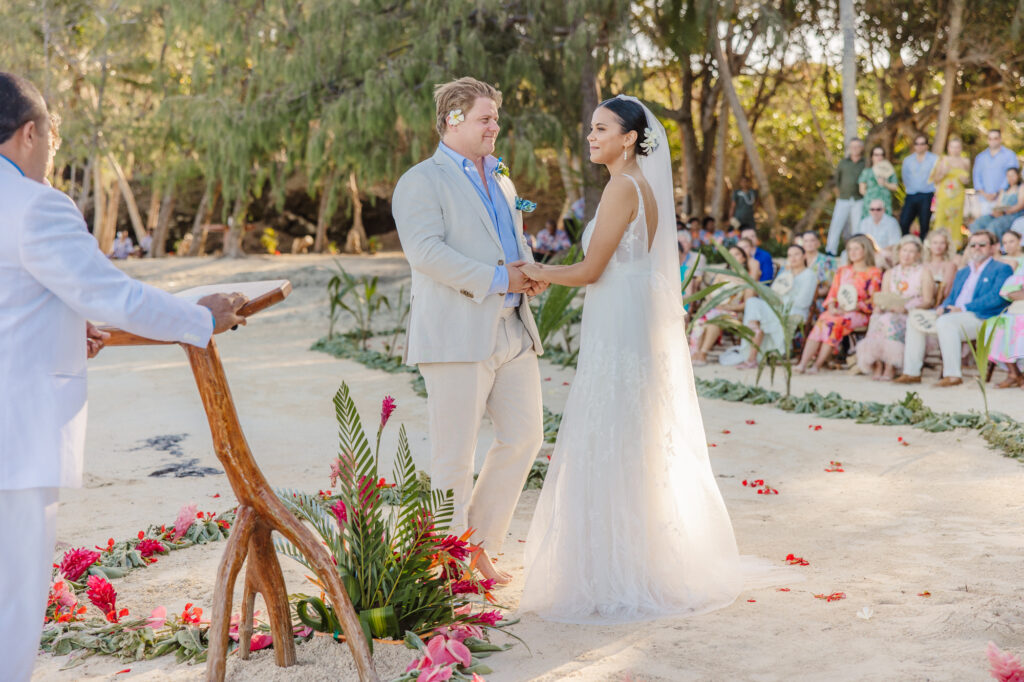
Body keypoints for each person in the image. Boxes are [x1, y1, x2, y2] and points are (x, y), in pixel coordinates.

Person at [0, 72, 247, 682]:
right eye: (52, 137)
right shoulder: (34, 206)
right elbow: (114, 296)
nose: (52, 151)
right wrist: (200, 318)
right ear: (29, 132)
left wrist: (62, 324)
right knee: (12, 602)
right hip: (17, 437)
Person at [518, 95, 743, 622]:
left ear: (628, 138)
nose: (591, 137)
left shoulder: (623, 188)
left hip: (619, 323)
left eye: (601, 129)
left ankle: (617, 570)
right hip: (628, 317)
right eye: (590, 128)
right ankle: (638, 559)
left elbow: (591, 269)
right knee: (628, 433)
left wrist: (534, 271)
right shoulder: (641, 186)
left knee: (611, 431)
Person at [392, 77, 545, 585]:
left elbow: (508, 242)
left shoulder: (501, 177)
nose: (494, 127)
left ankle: (476, 544)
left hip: (514, 328)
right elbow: (426, 252)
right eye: (485, 118)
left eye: (495, 118)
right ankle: (449, 561)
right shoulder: (421, 180)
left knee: (525, 437)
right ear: (453, 120)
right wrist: (502, 279)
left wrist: (530, 273)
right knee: (454, 456)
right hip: (457, 333)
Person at [895, 230, 1013, 387]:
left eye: (982, 244)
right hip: (953, 314)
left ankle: (952, 375)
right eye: (973, 245)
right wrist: (943, 307)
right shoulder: (963, 271)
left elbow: (997, 298)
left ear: (993, 247)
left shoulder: (1001, 269)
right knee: (914, 318)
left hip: (982, 317)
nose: (977, 248)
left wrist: (963, 308)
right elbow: (952, 296)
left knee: (946, 323)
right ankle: (912, 372)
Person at [795, 235, 882, 374]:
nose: (852, 252)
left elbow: (874, 299)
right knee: (823, 319)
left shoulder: (873, 273)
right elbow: (832, 294)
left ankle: (817, 364)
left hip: (860, 313)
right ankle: (803, 363)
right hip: (838, 311)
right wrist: (831, 307)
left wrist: (856, 306)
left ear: (865, 250)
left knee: (834, 323)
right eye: (849, 249)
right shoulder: (843, 271)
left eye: (856, 249)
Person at [856, 235, 934, 380]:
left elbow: (928, 300)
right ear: (899, 252)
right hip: (890, 310)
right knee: (879, 318)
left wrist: (906, 308)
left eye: (911, 251)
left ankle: (890, 365)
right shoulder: (890, 273)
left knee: (889, 321)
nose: (907, 255)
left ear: (918, 254)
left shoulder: (924, 272)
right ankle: (878, 363)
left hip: (912, 312)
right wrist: (882, 307)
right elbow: (885, 297)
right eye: (904, 250)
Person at [737, 243, 817, 369]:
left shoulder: (809, 275)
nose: (793, 258)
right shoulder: (785, 273)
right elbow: (774, 292)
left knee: (763, 310)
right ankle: (755, 328)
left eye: (797, 254)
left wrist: (782, 301)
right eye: (790, 255)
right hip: (777, 307)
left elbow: (804, 301)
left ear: (804, 256)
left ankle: (752, 357)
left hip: (795, 310)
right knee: (752, 301)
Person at [689, 245, 754, 365]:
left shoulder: (747, 280)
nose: (732, 257)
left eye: (737, 254)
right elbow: (709, 294)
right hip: (714, 309)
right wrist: (712, 303)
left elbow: (747, 304)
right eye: (730, 254)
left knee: (714, 321)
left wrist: (727, 308)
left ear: (744, 258)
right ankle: (695, 353)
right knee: (700, 322)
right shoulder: (721, 275)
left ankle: (703, 353)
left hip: (732, 313)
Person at [929, 136, 970, 250]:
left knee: (956, 222)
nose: (955, 149)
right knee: (940, 220)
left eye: (957, 147)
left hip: (958, 196)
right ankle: (937, 246)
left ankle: (954, 247)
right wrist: (943, 173)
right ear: (948, 148)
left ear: (961, 148)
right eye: (953, 147)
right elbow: (934, 179)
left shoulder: (965, 161)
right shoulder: (943, 160)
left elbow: (968, 180)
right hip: (944, 195)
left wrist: (964, 180)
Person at [988, 258, 1024, 388]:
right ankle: (1014, 374)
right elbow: (1008, 292)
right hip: (1016, 310)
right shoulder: (1021, 264)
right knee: (998, 326)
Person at [826, 137, 865, 255]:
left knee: (857, 226)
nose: (855, 149)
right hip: (843, 199)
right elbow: (837, 180)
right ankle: (830, 250)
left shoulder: (865, 163)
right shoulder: (843, 163)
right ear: (849, 148)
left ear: (861, 148)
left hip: (859, 199)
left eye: (857, 146)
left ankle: (857, 251)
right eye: (853, 146)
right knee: (836, 224)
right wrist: (839, 194)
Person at [972, 129, 1020, 217]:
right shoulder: (980, 157)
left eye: (995, 138)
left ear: (1000, 139)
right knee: (981, 228)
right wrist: (985, 194)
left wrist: (997, 193)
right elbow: (976, 178)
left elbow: (1012, 177)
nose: (993, 141)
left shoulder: (1010, 155)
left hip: (1003, 200)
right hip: (983, 200)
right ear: (987, 140)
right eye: (990, 138)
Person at [899, 133, 938, 236]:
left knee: (924, 224)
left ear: (926, 145)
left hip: (927, 195)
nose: (919, 146)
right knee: (904, 222)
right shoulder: (908, 160)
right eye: (917, 144)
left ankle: (923, 248)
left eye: (922, 144)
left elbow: (937, 176)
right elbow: (905, 177)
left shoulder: (934, 159)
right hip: (911, 195)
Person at [969, 167, 1024, 239]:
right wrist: (996, 211)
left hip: (1012, 215)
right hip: (1000, 214)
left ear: (1017, 176)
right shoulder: (1004, 190)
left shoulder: (1021, 188)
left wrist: (1006, 211)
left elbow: (1020, 205)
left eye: (1013, 175)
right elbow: (998, 204)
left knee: (993, 226)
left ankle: (993, 246)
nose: (1011, 178)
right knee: (978, 223)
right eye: (1008, 176)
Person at [858, 145, 899, 219]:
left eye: (881, 154)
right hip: (870, 205)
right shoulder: (867, 172)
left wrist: (885, 184)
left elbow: (895, 187)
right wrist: (872, 198)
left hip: (885, 204)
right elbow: (862, 190)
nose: (879, 157)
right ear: (872, 157)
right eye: (876, 155)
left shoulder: (889, 171)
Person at [856, 198, 902, 263]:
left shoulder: (891, 222)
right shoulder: (864, 222)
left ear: (883, 210)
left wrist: (878, 252)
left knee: (881, 257)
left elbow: (894, 243)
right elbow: (860, 240)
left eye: (878, 209)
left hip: (885, 252)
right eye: (872, 209)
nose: (875, 212)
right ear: (869, 211)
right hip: (867, 252)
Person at [923, 229, 959, 305]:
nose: (938, 246)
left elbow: (946, 292)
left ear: (947, 245)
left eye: (942, 243)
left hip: (939, 304)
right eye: (935, 243)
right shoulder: (923, 265)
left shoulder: (950, 265)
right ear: (929, 244)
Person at [802, 229, 837, 307]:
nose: (809, 244)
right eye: (806, 241)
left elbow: (829, 287)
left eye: (812, 240)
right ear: (802, 244)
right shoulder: (798, 260)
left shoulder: (828, 261)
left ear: (818, 243)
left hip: (818, 300)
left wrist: (808, 296)